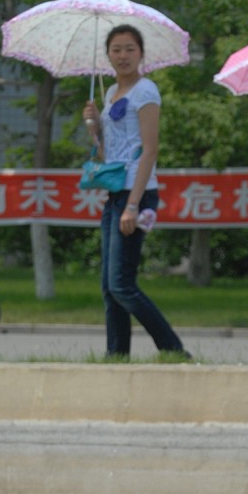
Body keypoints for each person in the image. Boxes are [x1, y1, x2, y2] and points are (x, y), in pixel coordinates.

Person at [83, 25, 189, 359]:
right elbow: (107, 156)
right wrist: (93, 128)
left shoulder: (146, 91)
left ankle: (173, 349)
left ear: (141, 53)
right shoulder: (111, 91)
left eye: (129, 48)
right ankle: (116, 357)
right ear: (108, 56)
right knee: (109, 287)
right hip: (116, 192)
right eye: (116, 49)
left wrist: (132, 204)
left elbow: (149, 149)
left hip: (137, 194)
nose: (123, 55)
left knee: (122, 284)